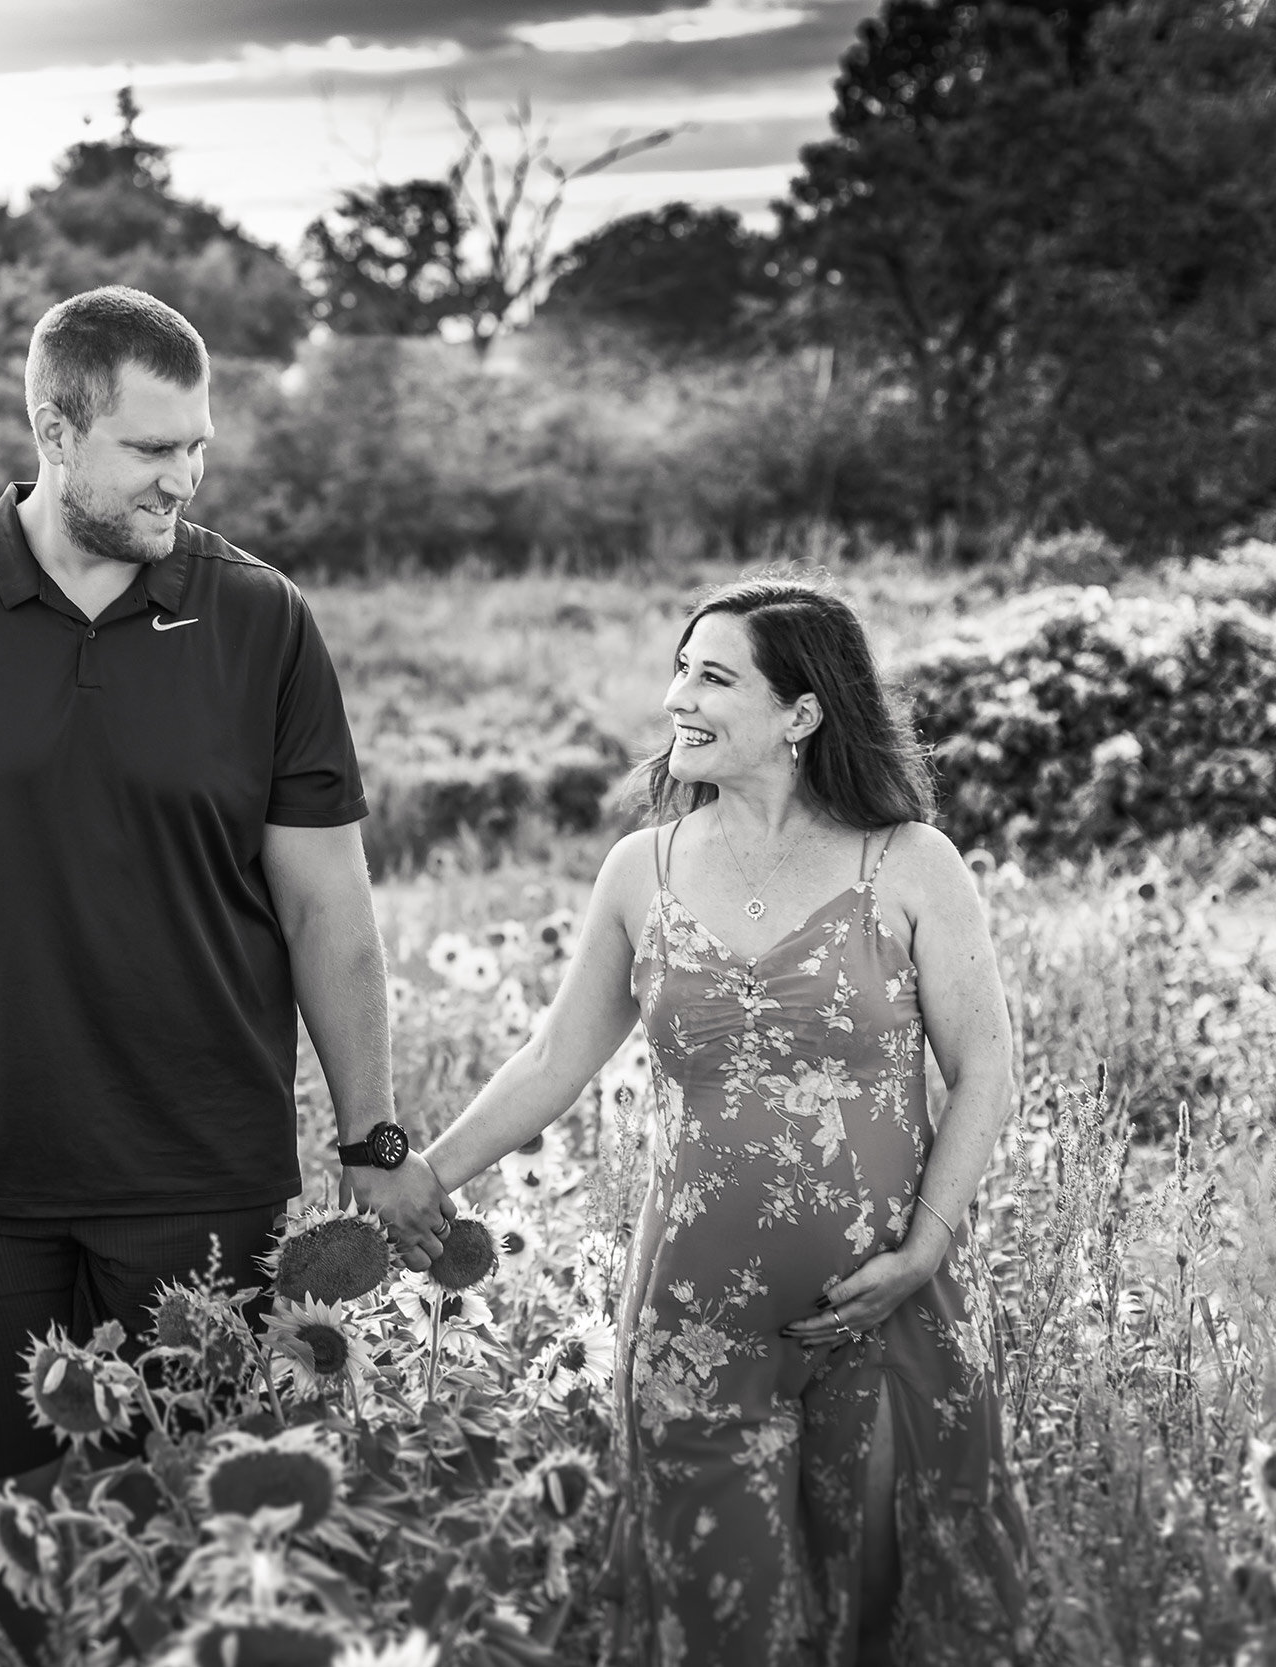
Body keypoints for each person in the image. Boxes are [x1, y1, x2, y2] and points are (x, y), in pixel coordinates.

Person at [0, 286, 453, 1661]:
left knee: (197, 1564)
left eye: (198, 445)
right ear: (56, 429)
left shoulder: (260, 620)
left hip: (202, 1178)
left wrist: (373, 1133)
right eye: (153, 448)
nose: (187, 476)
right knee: (11, 1557)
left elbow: (328, 903)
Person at [420, 576, 1027, 1665]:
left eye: (712, 676)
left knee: (882, 1611)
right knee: (712, 1618)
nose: (675, 699)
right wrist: (422, 1177)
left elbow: (985, 1066)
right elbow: (555, 1058)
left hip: (883, 1306)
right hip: (694, 1326)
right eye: (678, 669)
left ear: (800, 713)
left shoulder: (909, 861)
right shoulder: (638, 870)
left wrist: (922, 1247)